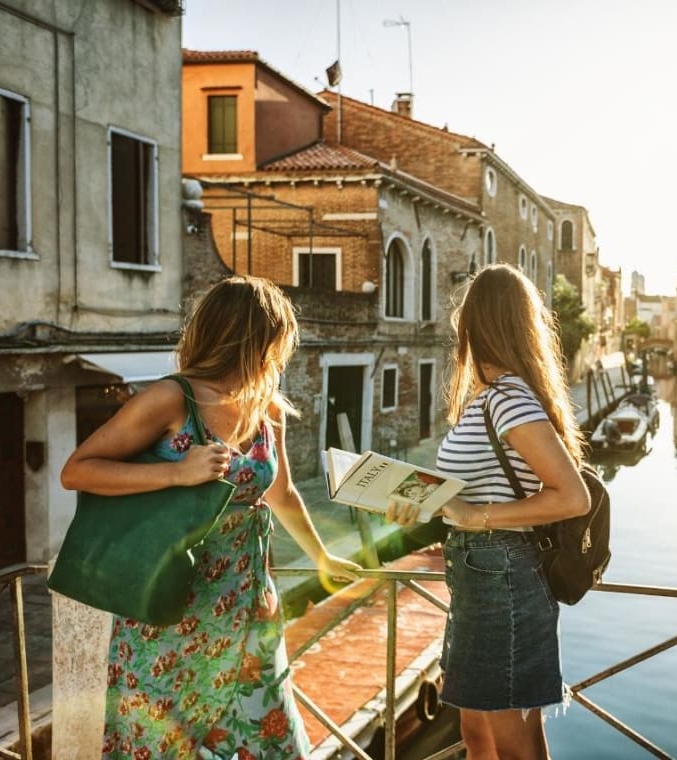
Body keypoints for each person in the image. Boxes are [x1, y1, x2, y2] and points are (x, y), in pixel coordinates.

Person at [61, 275, 361, 760]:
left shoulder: (267, 409)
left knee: (267, 739)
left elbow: (280, 492)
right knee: (162, 743)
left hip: (249, 607)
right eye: (276, 342)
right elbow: (77, 471)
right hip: (168, 608)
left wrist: (322, 555)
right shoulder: (171, 398)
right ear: (251, 339)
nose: (280, 356)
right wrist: (177, 475)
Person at [390, 264, 590, 759]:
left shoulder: (508, 399)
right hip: (476, 576)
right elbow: (470, 496)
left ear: (480, 325)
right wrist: (417, 505)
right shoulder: (484, 401)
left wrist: (475, 517)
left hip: (505, 576)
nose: (459, 329)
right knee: (477, 732)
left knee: (515, 742)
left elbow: (571, 496)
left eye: (465, 318)